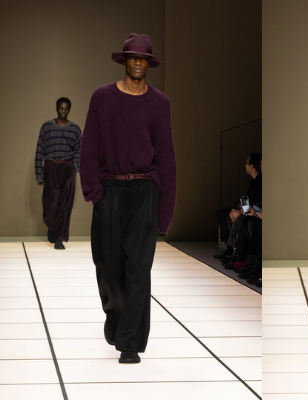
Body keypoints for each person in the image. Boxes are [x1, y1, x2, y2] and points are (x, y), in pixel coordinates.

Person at [80, 33, 176, 364]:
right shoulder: (102, 98)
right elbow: (89, 146)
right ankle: (117, 317)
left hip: (145, 191)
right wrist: (94, 191)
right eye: (133, 57)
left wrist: (165, 211)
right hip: (110, 191)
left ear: (149, 64)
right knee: (107, 267)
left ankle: (129, 343)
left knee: (138, 268)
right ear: (124, 61)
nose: (137, 63)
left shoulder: (160, 103)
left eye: (143, 59)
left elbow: (167, 157)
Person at [35, 97, 81, 250]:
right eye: (61, 108)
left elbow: (79, 150)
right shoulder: (47, 127)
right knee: (51, 204)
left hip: (67, 168)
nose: (63, 111)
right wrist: (39, 174)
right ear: (56, 108)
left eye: (66, 109)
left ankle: (59, 239)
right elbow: (39, 150)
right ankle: (52, 227)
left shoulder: (75, 129)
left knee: (65, 205)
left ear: (69, 109)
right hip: (50, 168)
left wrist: (74, 167)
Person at [214, 152, 262, 260]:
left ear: (252, 166)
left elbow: (255, 202)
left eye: (246, 163)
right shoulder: (254, 181)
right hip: (249, 209)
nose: (245, 165)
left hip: (253, 211)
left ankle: (237, 253)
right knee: (223, 215)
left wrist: (240, 211)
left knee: (239, 219)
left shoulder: (260, 181)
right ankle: (231, 249)